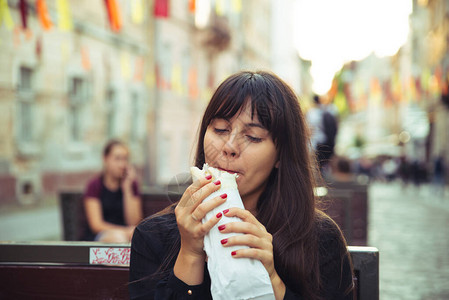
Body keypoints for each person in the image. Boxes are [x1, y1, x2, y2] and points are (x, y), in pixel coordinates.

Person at [129, 71, 354, 299]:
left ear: (281, 155)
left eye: (253, 137)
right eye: (220, 129)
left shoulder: (319, 238)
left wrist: (271, 278)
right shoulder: (153, 235)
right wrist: (189, 254)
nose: (229, 146)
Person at [83, 139, 143, 243]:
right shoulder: (95, 185)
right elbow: (96, 225)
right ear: (105, 159)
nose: (122, 164)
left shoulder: (131, 184)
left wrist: (127, 189)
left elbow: (133, 221)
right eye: (117, 159)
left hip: (128, 235)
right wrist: (124, 232)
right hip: (102, 236)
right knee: (117, 238)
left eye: (125, 159)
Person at [306, 95, 338, 172]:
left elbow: (310, 129)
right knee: (325, 162)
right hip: (326, 141)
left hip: (316, 142)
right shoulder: (327, 110)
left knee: (318, 164)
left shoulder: (311, 113)